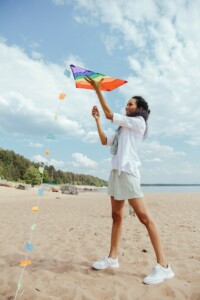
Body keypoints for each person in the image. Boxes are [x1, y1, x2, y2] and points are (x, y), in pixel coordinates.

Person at [85, 76, 175, 284]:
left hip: (129, 174)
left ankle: (164, 266)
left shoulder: (138, 123)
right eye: (126, 104)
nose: (127, 107)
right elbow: (103, 141)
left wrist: (97, 90)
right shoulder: (122, 128)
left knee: (145, 218)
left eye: (130, 104)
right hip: (116, 174)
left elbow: (110, 114)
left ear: (140, 108)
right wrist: (97, 120)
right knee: (116, 216)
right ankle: (112, 258)